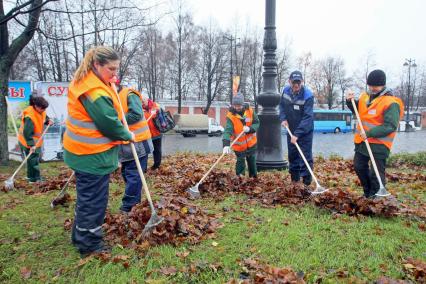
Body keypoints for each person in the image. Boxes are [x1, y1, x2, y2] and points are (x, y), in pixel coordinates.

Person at [63, 46, 134, 258]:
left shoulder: (88, 81)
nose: (115, 74)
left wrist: (110, 83)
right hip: (91, 156)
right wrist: (126, 134)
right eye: (111, 69)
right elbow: (108, 124)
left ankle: (79, 235)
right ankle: (89, 244)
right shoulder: (94, 91)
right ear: (97, 65)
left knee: (86, 198)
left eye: (116, 69)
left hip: (82, 153)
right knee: (94, 202)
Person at [346, 69, 403, 198]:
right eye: (370, 85)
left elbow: (391, 125)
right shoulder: (365, 96)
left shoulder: (391, 102)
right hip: (362, 142)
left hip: (379, 144)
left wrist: (370, 133)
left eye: (375, 86)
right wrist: (350, 101)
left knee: (376, 173)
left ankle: (376, 197)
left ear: (383, 85)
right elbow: (359, 111)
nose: (372, 88)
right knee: (359, 166)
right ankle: (368, 193)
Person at [117, 86, 153, 213]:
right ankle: (135, 201)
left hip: (138, 144)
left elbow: (136, 114)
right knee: (127, 174)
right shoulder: (109, 96)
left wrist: (116, 121)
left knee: (134, 175)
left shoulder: (129, 94)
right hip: (124, 146)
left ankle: (128, 206)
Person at [279, 70, 314, 186]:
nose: (296, 85)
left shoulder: (308, 95)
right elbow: (282, 106)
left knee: (305, 156)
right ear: (290, 82)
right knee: (293, 154)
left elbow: (307, 117)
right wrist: (283, 118)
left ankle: (306, 183)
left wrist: (297, 134)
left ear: (302, 82)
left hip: (305, 131)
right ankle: (295, 180)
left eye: (298, 82)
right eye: (294, 82)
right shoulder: (285, 91)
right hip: (291, 129)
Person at [222, 93, 259, 178]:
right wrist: (226, 145)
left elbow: (257, 123)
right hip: (239, 146)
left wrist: (250, 129)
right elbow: (227, 131)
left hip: (251, 143)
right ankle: (240, 179)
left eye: (238, 105)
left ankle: (253, 179)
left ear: (242, 104)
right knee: (240, 162)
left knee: (252, 161)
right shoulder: (231, 116)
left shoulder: (250, 111)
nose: (237, 107)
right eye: (235, 105)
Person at [18, 96, 52, 183]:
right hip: (28, 141)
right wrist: (31, 145)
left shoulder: (41, 110)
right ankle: (35, 179)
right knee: (33, 160)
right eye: (42, 109)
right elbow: (27, 132)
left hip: (35, 141)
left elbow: (44, 117)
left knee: (31, 159)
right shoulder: (30, 116)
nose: (44, 110)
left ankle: (30, 177)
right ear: (36, 106)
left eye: (45, 109)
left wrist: (48, 121)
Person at [142, 97, 162, 170]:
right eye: (141, 102)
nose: (142, 103)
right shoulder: (140, 109)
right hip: (146, 134)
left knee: (157, 150)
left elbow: (160, 118)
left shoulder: (155, 107)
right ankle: (143, 168)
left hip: (156, 133)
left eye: (143, 101)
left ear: (147, 100)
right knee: (145, 151)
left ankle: (156, 165)